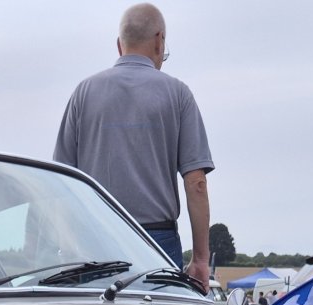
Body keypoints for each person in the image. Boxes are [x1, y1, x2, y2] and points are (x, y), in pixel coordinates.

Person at [54, 3, 212, 285]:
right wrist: (200, 260)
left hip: (94, 241)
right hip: (157, 241)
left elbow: (61, 181)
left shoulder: (83, 93)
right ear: (159, 40)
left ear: (119, 45)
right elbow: (196, 183)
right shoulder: (178, 94)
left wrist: (68, 251)